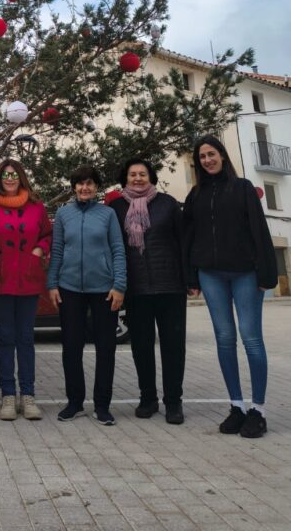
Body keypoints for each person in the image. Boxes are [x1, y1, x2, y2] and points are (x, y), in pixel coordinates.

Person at [183, 134, 277, 439]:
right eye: (202, 157)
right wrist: (191, 277)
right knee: (224, 339)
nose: (207, 160)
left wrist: (267, 275)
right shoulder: (195, 195)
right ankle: (236, 406)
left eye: (212, 154)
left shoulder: (243, 188)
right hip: (210, 275)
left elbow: (259, 231)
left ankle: (258, 411)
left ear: (222, 155)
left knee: (251, 339)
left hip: (245, 274)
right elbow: (189, 238)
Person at [47, 164, 126, 426]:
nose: (85, 188)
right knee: (71, 347)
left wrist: (119, 285)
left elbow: (117, 249)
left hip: (104, 289)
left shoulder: (107, 214)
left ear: (96, 188)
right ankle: (75, 402)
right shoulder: (63, 214)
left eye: (90, 183)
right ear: (74, 187)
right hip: (69, 288)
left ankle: (102, 405)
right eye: (80, 183)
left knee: (106, 348)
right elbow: (56, 250)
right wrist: (52, 284)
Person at [110, 158, 187, 425]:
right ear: (125, 178)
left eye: (143, 174)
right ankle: (148, 398)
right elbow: (114, 248)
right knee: (141, 347)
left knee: (173, 347)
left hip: (171, 287)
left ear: (151, 177)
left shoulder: (168, 204)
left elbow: (182, 242)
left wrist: (189, 279)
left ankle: (174, 402)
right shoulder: (116, 207)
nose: (138, 178)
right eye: (133, 174)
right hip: (136, 289)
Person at [0, 159, 52, 421]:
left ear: (21, 177)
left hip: (28, 279)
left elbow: (47, 234)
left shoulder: (36, 205)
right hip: (1, 281)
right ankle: (7, 395)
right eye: (5, 175)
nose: (10, 179)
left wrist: (39, 251)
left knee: (25, 337)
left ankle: (28, 395)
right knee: (5, 337)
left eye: (15, 175)